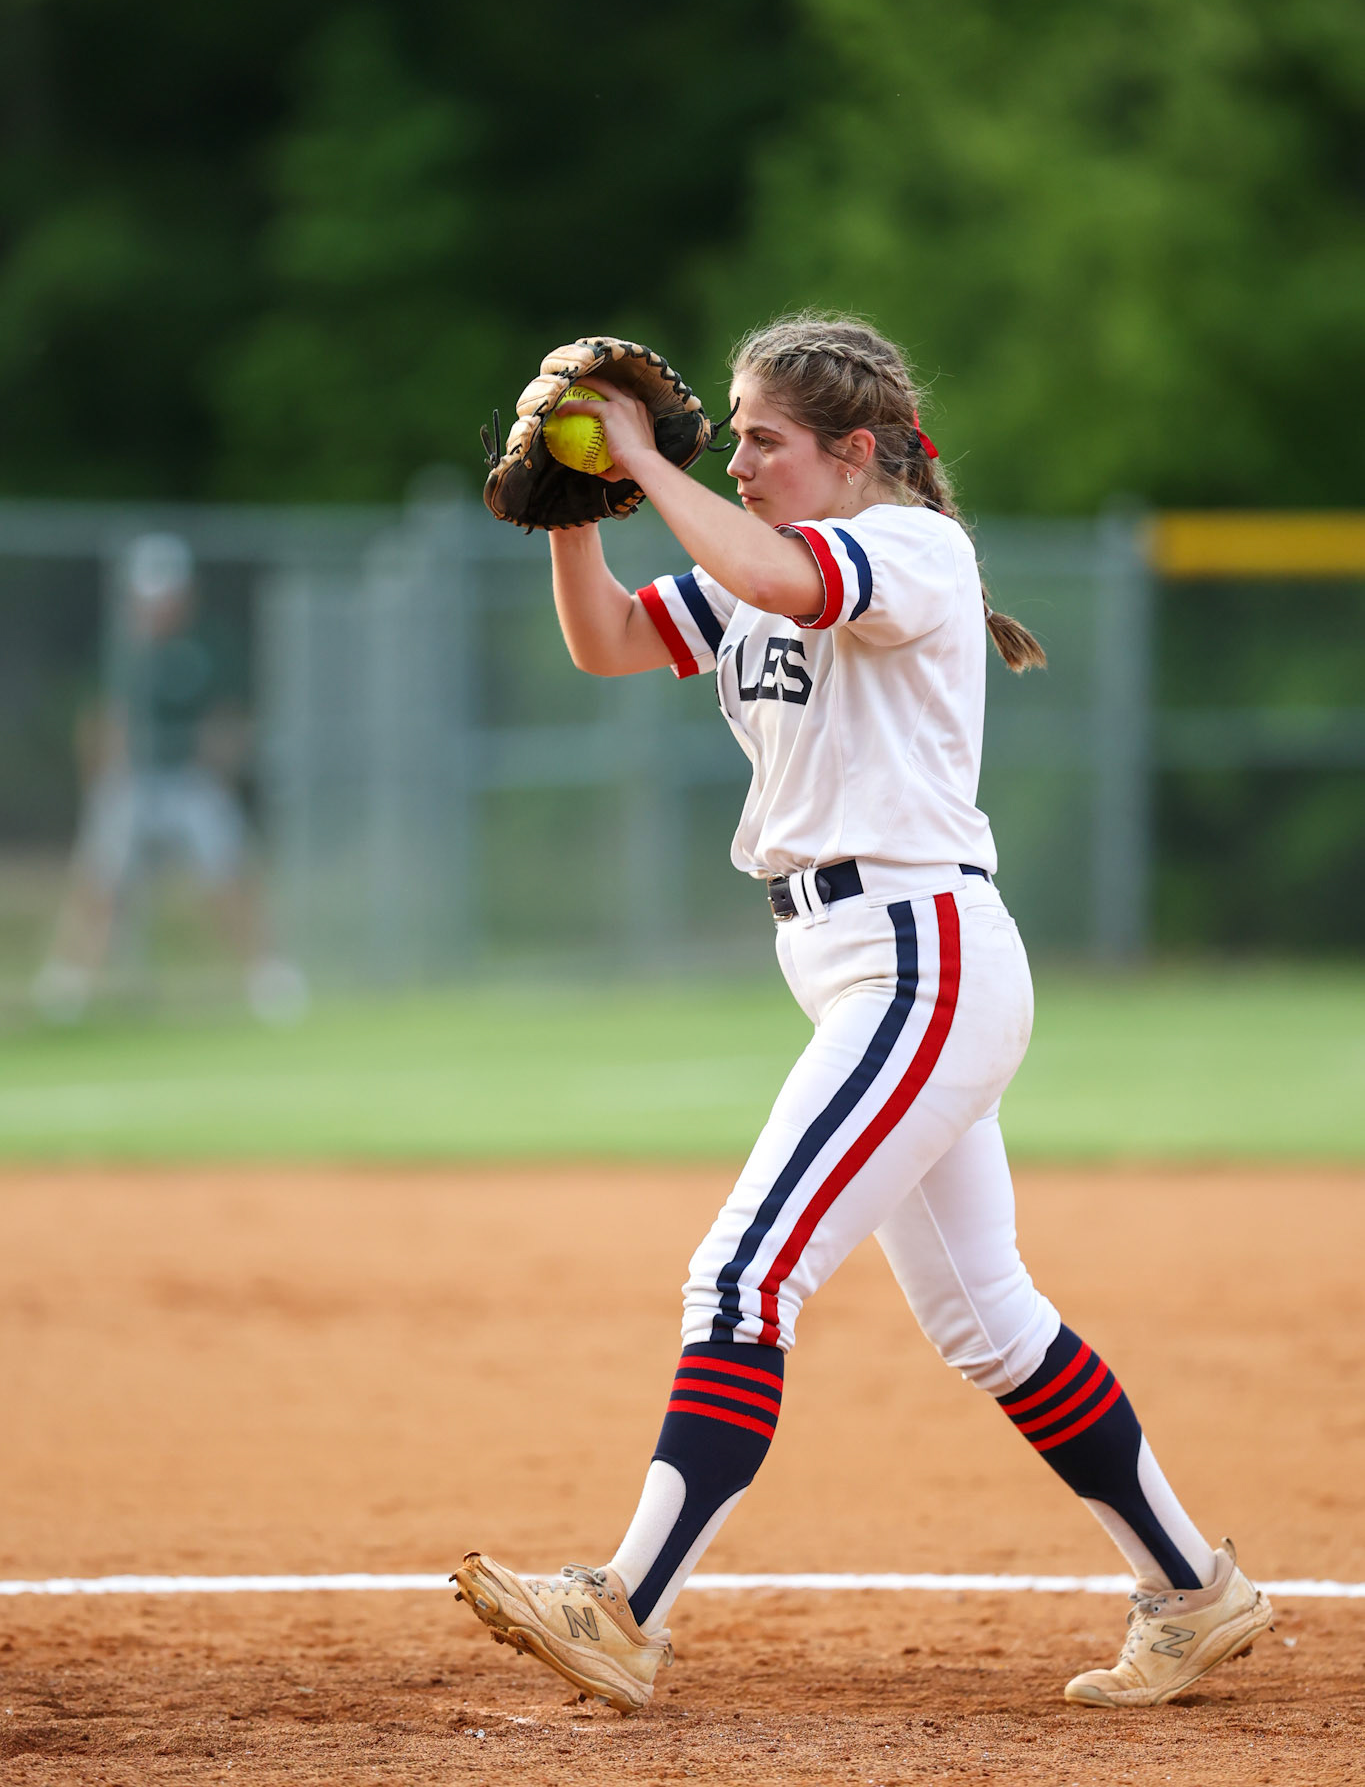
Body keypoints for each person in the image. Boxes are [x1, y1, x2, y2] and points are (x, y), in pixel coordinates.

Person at [454, 314, 1271, 1713]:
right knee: (987, 1321)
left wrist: (643, 459)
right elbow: (607, 644)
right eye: (737, 433)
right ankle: (1194, 1593)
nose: (746, 454)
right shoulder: (764, 561)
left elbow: (774, 568)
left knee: (743, 1276)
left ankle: (625, 1607)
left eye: (765, 437)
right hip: (858, 963)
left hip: (920, 957)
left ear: (852, 453)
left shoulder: (907, 550)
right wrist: (575, 515)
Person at [32, 532, 307, 1026]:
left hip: (189, 783)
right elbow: (99, 722)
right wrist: (102, 784)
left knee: (230, 875)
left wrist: (216, 769)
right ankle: (66, 992)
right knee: (98, 885)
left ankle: (270, 980)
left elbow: (228, 721)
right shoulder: (120, 649)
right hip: (131, 782)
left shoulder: (208, 644)